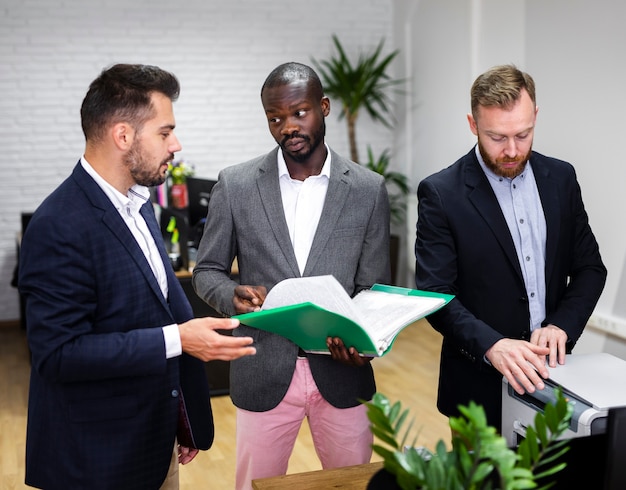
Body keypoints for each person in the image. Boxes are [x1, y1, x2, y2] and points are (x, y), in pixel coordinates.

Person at [18, 63, 257, 490]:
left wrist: (181, 415)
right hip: (98, 459)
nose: (176, 145)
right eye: (165, 133)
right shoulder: (59, 225)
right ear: (123, 136)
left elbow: (158, 305)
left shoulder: (140, 203)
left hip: (155, 438)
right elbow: (58, 354)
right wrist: (179, 340)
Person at [192, 61, 391, 489]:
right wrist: (232, 296)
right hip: (263, 370)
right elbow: (207, 270)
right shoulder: (236, 184)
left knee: (353, 484)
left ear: (324, 107)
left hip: (343, 375)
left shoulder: (367, 189)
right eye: (275, 118)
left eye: (299, 112)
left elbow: (371, 289)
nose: (288, 126)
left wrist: (365, 345)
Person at [414, 64, 607, 431]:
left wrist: (561, 327)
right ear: (473, 124)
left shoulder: (562, 178)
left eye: (523, 134)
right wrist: (492, 345)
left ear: (535, 116)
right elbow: (435, 294)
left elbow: (590, 269)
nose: (512, 150)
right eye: (497, 137)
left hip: (555, 378)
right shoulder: (441, 193)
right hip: (476, 388)